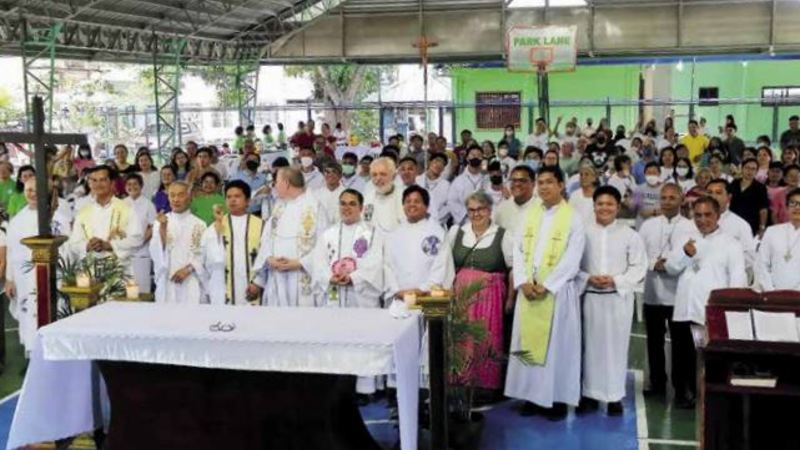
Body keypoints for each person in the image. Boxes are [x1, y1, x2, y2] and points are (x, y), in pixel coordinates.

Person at [505, 166, 586, 421]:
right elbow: (517, 250)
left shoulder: (573, 218)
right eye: (540, 183)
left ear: (561, 185)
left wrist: (547, 285)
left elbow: (573, 258)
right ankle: (530, 395)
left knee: (556, 348)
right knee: (527, 343)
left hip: (557, 293)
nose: (543, 187)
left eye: (549, 182)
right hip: (529, 290)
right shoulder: (529, 215)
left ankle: (556, 399)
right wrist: (522, 281)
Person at [666, 196, 746, 409]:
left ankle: (706, 396)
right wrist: (684, 254)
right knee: (681, 356)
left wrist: (728, 311)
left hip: (709, 312)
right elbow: (671, 268)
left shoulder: (731, 244)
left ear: (718, 215)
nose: (702, 219)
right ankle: (682, 394)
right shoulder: (686, 240)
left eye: (707, 215)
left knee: (707, 358)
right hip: (684, 309)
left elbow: (738, 280)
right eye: (697, 215)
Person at [577, 186, 647, 416]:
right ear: (594, 206)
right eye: (600, 204)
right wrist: (587, 278)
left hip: (617, 299)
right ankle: (588, 395)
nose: (604, 208)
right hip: (590, 298)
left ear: (618, 207)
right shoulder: (582, 233)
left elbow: (639, 266)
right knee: (589, 348)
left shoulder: (630, 235)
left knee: (616, 348)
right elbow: (572, 266)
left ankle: (614, 396)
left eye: (610, 204)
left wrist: (616, 280)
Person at [447, 191, 512, 393]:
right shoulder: (457, 232)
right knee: (461, 339)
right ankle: (459, 381)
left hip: (489, 298)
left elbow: (512, 269)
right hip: (460, 297)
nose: (476, 214)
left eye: (481, 209)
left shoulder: (503, 234)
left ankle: (485, 386)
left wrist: (510, 299)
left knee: (486, 339)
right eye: (471, 210)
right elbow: (446, 265)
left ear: (489, 210)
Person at [638, 183, 697, 397]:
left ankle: (681, 388)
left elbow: (692, 256)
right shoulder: (648, 226)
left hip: (679, 294)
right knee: (654, 342)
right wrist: (655, 264)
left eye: (672, 198)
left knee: (682, 344)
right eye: (663, 198)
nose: (667, 202)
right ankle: (657, 384)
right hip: (653, 292)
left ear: (681, 200)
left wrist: (671, 265)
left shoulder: (691, 227)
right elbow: (638, 254)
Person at [5, 178, 70, 354]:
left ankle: (57, 353)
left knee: (55, 311)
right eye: (28, 190)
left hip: (53, 275)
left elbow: (68, 249)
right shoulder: (17, 220)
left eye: (37, 189)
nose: (33, 193)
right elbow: (11, 251)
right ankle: (33, 355)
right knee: (29, 317)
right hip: (24, 278)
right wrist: (10, 279)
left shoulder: (59, 218)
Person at [252, 167, 326, 307]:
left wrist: (299, 263)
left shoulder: (316, 208)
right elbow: (266, 240)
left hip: (302, 278)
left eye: (276, 182)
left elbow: (325, 246)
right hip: (276, 278)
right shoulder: (279, 207)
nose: (274, 186)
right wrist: (269, 258)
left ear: (286, 183)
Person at [312, 188, 384, 309]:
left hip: (360, 300)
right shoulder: (327, 235)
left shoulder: (372, 234)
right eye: (343, 204)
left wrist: (353, 278)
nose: (346, 208)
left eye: (352, 204)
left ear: (361, 208)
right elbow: (319, 263)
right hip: (334, 294)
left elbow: (375, 265)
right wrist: (330, 277)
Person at [67, 166, 143, 269]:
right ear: (89, 184)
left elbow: (137, 239)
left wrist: (109, 245)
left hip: (119, 270)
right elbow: (73, 243)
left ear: (112, 183)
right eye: (94, 180)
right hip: (90, 271)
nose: (98, 184)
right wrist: (87, 245)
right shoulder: (83, 212)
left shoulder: (127, 209)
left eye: (103, 180)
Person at [203, 180, 265, 306]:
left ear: (248, 201)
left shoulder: (261, 225)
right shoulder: (216, 225)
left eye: (237, 196)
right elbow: (206, 257)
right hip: (223, 286)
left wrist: (259, 282)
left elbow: (266, 255)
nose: (232, 200)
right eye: (229, 197)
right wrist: (216, 234)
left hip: (253, 286)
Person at [385, 185, 454, 300]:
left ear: (426, 206)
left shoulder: (437, 233)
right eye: (408, 201)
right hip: (399, 297)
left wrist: (422, 290)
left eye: (417, 201)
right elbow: (387, 266)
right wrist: (396, 290)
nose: (412, 204)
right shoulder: (394, 234)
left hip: (428, 297)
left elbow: (441, 266)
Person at [149, 182, 207, 304]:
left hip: (191, 279)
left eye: (181, 195)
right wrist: (163, 228)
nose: (176, 199)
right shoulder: (160, 222)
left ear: (189, 197)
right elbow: (157, 253)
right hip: (167, 280)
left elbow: (203, 254)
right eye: (172, 195)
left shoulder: (200, 224)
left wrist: (188, 269)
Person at [706, 178, 756, 272]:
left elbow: (750, 259)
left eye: (718, 192)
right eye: (709, 192)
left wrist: (724, 259)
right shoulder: (694, 223)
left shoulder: (740, 225)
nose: (713, 196)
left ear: (729, 197)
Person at [756, 188, 800, 290]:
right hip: (772, 295)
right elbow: (761, 263)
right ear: (787, 207)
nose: (797, 207)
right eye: (793, 203)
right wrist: (770, 290)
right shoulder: (772, 231)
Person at [124, 174, 157, 294]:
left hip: (142, 252)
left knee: (142, 289)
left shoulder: (148, 204)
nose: (132, 187)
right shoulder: (121, 204)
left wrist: (140, 242)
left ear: (141, 186)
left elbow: (152, 226)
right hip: (125, 253)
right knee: (124, 289)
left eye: (135, 184)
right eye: (129, 184)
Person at [363, 157, 405, 235]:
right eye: (374, 175)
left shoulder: (404, 197)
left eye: (383, 174)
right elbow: (366, 224)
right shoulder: (368, 199)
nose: (378, 178)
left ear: (393, 176)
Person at [447, 146, 488, 226]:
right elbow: (451, 201)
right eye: (472, 155)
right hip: (464, 221)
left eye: (478, 155)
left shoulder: (487, 179)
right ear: (467, 158)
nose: (475, 157)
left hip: (485, 221)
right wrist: (467, 213)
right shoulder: (458, 180)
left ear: (482, 159)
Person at [729, 158, 770, 236]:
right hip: (733, 222)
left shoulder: (760, 187)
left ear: (756, 171)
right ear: (742, 169)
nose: (749, 171)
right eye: (747, 168)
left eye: (753, 169)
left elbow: (763, 209)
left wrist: (762, 227)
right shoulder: (734, 183)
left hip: (750, 224)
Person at [494, 166, 537, 235]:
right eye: (514, 180)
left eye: (522, 181)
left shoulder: (543, 208)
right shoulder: (502, 208)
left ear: (533, 184)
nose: (517, 184)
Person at [417, 153, 451, 227]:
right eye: (437, 161)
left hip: (437, 224)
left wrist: (434, 218)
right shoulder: (416, 181)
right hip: (416, 222)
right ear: (429, 162)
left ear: (444, 168)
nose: (439, 164)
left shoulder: (446, 185)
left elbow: (449, 207)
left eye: (442, 163)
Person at [313, 161, 345, 226]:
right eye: (327, 172)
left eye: (334, 172)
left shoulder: (346, 194)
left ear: (340, 175)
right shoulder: (316, 194)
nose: (330, 174)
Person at [633, 162, 663, 229]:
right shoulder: (638, 189)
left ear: (659, 174)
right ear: (644, 174)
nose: (652, 175)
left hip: (660, 226)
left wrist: (650, 212)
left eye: (654, 173)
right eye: (649, 173)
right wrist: (656, 211)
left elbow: (666, 209)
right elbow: (640, 211)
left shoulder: (665, 189)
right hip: (641, 226)